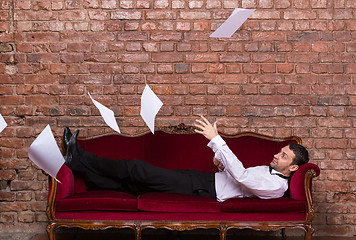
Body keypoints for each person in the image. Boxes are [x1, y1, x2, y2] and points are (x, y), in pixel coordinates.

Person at [63, 116, 309, 202]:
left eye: (283, 155)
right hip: (204, 180)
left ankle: (80, 156)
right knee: (133, 184)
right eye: (280, 151)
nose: (277, 154)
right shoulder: (269, 173)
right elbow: (240, 177)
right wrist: (222, 164)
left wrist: (217, 139)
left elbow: (243, 177)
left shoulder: (276, 186)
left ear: (294, 167)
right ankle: (86, 172)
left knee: (136, 168)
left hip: (203, 189)